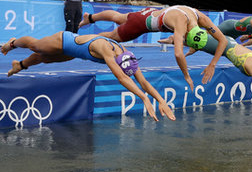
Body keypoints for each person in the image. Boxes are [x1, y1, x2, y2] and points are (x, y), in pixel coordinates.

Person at [1, 32, 176, 122]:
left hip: (72, 52)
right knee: (37, 47)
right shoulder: (106, 49)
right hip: (64, 40)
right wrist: (144, 98)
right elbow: (122, 79)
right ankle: (12, 43)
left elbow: (142, 81)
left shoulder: (127, 56)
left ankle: (20, 65)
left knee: (45, 59)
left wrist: (161, 100)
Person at [159, 33, 252, 123]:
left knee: (198, 40)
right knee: (195, 40)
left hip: (231, 42)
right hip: (225, 46)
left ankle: (184, 43)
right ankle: (172, 39)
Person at [78, 5, 229, 90]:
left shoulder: (200, 17)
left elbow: (222, 40)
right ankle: (82, 40)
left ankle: (89, 18)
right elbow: (178, 54)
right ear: (187, 34)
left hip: (150, 12)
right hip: (140, 25)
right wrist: (187, 76)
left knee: (118, 17)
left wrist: (213, 64)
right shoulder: (181, 26)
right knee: (111, 37)